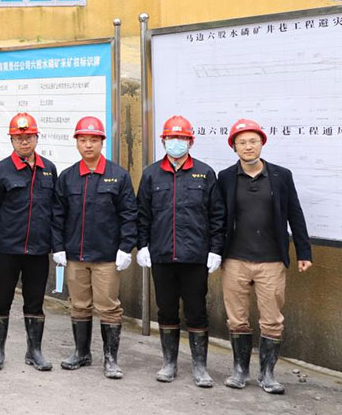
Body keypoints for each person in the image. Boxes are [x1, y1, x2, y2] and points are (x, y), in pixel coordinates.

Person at [218, 118, 312, 395]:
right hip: (235, 259)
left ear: (262, 143)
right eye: (242, 142)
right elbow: (218, 217)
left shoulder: (281, 175)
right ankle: (240, 371)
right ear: (234, 147)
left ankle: (267, 374)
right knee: (237, 319)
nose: (248, 146)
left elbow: (295, 212)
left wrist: (304, 251)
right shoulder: (225, 177)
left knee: (272, 320)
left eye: (253, 141)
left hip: (271, 260)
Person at [136, 115, 224, 388]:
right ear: (163, 141)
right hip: (162, 256)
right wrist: (142, 245)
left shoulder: (205, 173)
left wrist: (215, 250)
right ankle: (169, 363)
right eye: (172, 138)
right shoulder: (151, 174)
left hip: (195, 257)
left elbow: (217, 216)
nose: (177, 142)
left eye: (182, 138)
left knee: (196, 311)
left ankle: (200, 367)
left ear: (191, 142)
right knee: (166, 310)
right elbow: (143, 215)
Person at [51, 116, 136, 379]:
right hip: (75, 255)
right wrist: (58, 247)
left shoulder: (118, 176)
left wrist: (126, 247)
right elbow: (57, 216)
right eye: (83, 140)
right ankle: (81, 353)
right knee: (79, 304)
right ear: (77, 143)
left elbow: (129, 215)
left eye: (93, 140)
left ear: (102, 142)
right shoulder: (68, 177)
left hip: (106, 257)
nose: (88, 145)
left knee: (108, 307)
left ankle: (111, 359)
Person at [0, 112, 58, 371]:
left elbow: (54, 209)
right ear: (11, 140)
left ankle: (34, 351)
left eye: (28, 137)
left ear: (37, 138)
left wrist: (56, 245)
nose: (24, 142)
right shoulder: (0, 171)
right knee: (1, 300)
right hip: (8, 249)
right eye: (19, 138)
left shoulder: (49, 170)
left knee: (35, 301)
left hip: (38, 249)